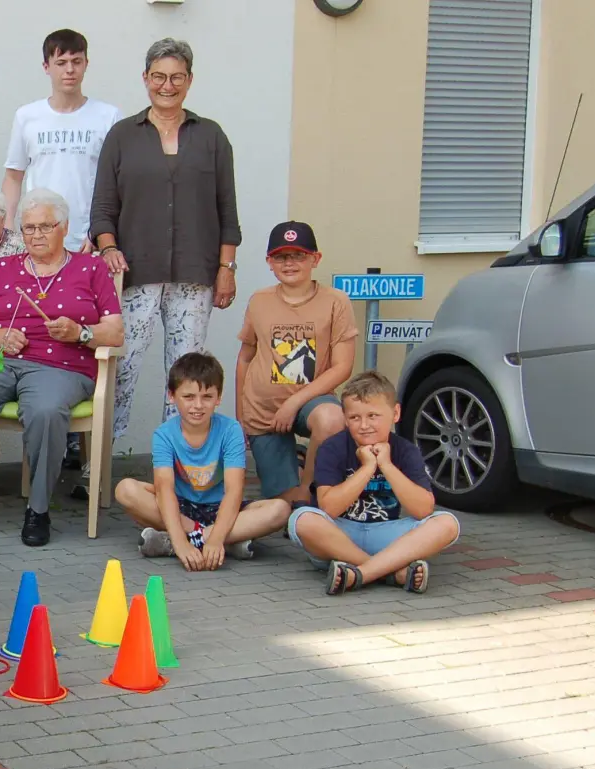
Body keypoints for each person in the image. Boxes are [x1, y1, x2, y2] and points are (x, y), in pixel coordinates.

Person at [91, 38, 240, 443]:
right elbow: (103, 207)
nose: (167, 85)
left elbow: (228, 211)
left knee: (185, 374)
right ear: (145, 79)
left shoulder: (211, 136)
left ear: (189, 80)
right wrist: (108, 247)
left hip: (195, 273)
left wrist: (226, 269)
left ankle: (175, 459)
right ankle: (101, 461)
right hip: (135, 272)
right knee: (121, 367)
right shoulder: (122, 135)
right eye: (158, 76)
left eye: (176, 77)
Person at [0, 187, 122, 546]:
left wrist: (80, 332)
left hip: (61, 366)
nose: (36, 235)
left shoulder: (91, 268)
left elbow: (115, 332)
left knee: (45, 410)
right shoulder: (3, 268)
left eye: (45, 226)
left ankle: (37, 509)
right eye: (28, 228)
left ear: (64, 227)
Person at [290, 372, 461, 595]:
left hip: (386, 535)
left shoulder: (406, 450)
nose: (364, 425)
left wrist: (386, 465)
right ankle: (391, 572)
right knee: (302, 519)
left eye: (373, 416)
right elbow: (329, 508)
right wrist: (368, 467)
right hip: (339, 535)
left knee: (447, 524)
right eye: (354, 418)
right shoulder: (331, 448)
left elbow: (423, 509)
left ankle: (360, 574)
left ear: (395, 413)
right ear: (344, 417)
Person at [114, 352, 289, 568]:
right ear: (172, 395)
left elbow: (234, 491)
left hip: (221, 508)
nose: (198, 405)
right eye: (188, 397)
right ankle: (222, 541)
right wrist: (180, 543)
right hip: (182, 507)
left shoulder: (231, 430)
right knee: (125, 489)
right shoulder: (164, 434)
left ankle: (198, 540)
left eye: (207, 397)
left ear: (218, 398)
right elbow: (164, 489)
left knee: (280, 509)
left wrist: (215, 539)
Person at [236, 222, 354, 505]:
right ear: (269, 262)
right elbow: (245, 357)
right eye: (281, 257)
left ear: (316, 258)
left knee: (332, 419)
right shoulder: (259, 301)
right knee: (281, 503)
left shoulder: (336, 302)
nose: (289, 263)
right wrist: (240, 417)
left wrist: (294, 403)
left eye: (298, 255)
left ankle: (312, 489)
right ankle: (297, 477)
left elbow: (342, 367)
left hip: (311, 402)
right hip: (264, 413)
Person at [1, 29, 120, 251]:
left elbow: (117, 183)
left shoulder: (108, 116)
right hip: (38, 239)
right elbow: (13, 176)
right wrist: (9, 229)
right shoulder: (27, 116)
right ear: (46, 67)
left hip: (87, 240)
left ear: (86, 64)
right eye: (61, 62)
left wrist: (101, 233)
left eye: (76, 61)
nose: (70, 70)